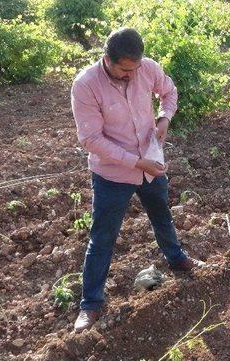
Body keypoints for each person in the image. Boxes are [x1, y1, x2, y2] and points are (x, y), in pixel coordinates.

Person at [71, 28, 205, 332]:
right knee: (102, 237)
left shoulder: (147, 68)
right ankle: (91, 304)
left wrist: (164, 118)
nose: (132, 76)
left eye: (136, 69)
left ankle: (177, 259)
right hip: (112, 174)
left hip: (151, 164)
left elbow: (168, 92)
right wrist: (134, 161)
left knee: (162, 215)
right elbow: (90, 139)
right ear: (108, 60)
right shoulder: (86, 85)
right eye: (125, 70)